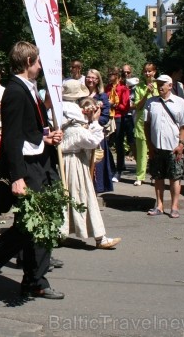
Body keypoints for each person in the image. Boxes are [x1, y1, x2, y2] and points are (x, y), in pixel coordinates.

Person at [0, 41, 65, 300]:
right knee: (31, 225)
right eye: (38, 61)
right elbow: (11, 138)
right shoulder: (14, 91)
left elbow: (26, 132)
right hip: (28, 168)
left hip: (41, 161)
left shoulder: (28, 88)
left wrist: (46, 138)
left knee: (45, 221)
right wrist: (17, 176)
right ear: (28, 62)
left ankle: (35, 280)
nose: (41, 65)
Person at [60, 82, 121, 248]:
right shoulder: (72, 121)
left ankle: (61, 232)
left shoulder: (61, 114)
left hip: (64, 162)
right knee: (85, 197)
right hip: (74, 162)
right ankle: (100, 237)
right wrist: (94, 122)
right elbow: (92, 141)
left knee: (68, 198)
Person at [144, 74, 184, 218]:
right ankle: (159, 205)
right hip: (156, 146)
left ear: (170, 85)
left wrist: (181, 144)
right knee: (158, 176)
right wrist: (150, 146)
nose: (160, 86)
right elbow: (147, 125)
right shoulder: (151, 102)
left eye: (163, 83)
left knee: (175, 176)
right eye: (158, 83)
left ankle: (174, 206)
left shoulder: (180, 102)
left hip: (174, 147)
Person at [85, 69, 114, 193]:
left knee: (96, 165)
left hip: (96, 134)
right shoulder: (80, 94)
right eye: (88, 77)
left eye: (93, 78)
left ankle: (94, 193)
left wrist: (92, 119)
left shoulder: (102, 96)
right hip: (81, 133)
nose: (90, 80)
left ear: (98, 80)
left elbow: (105, 117)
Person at [131, 63, 159, 186]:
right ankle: (140, 176)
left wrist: (153, 92)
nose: (147, 74)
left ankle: (156, 175)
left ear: (155, 72)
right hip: (142, 121)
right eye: (145, 71)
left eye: (150, 71)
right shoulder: (139, 87)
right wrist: (146, 93)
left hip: (156, 122)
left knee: (156, 150)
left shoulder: (160, 85)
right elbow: (137, 106)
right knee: (142, 151)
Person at [105, 67, 130, 182]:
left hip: (119, 117)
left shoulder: (123, 88)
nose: (110, 76)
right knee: (106, 142)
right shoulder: (107, 88)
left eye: (113, 74)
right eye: (109, 74)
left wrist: (114, 105)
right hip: (108, 117)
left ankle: (119, 170)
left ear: (118, 76)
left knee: (119, 144)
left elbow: (125, 106)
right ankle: (110, 167)